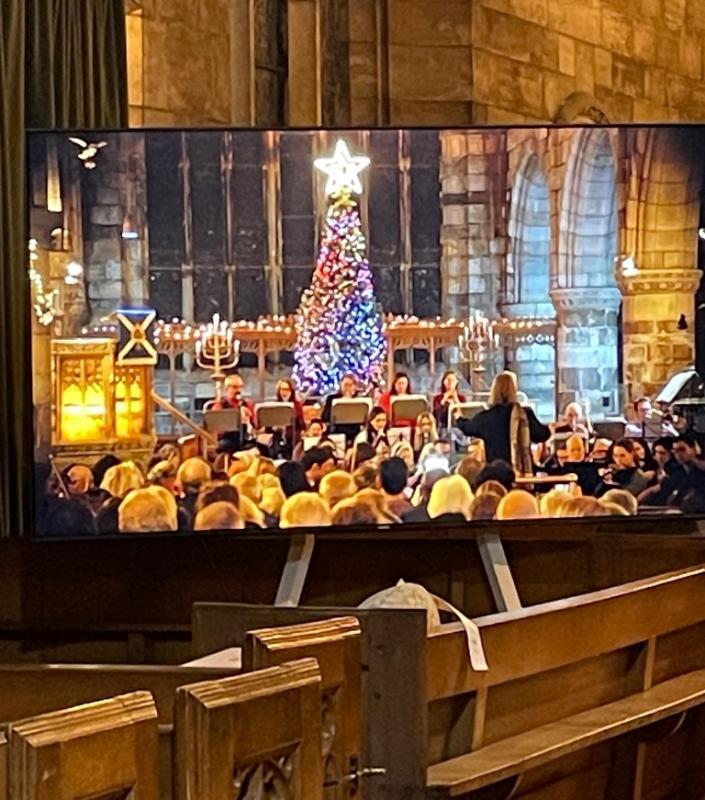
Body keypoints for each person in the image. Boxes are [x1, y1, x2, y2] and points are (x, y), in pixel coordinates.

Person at [457, 371, 550, 474]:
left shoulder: (487, 417)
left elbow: (467, 428)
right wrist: (550, 428)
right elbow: (542, 435)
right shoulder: (525, 414)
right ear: (514, 390)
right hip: (522, 471)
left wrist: (458, 417)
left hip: (495, 471)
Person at [209, 373, 255, 452]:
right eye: (235, 387)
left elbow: (256, 426)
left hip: (245, 438)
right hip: (228, 439)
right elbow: (215, 428)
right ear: (227, 388)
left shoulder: (246, 404)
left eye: (241, 387)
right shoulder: (220, 406)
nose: (239, 390)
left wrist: (250, 417)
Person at [322, 374, 363, 444]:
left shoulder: (360, 400)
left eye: (350, 385)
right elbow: (325, 417)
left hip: (355, 430)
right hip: (337, 430)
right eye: (345, 385)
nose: (347, 388)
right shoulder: (332, 398)